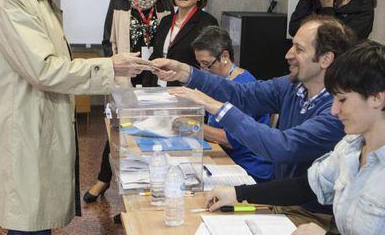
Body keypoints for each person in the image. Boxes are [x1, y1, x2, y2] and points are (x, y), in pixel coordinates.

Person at [0, 0, 153, 234]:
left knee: (35, 219)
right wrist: (110, 66)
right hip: (23, 137)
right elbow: (46, 70)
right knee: (27, 223)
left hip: (34, 129)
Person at [153, 15, 356, 231]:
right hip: (282, 202)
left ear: (325, 59)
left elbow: (282, 147)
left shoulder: (337, 113)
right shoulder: (293, 86)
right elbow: (243, 94)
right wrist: (187, 73)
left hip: (313, 216)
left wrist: (216, 107)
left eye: (299, 49)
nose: (288, 54)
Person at [205, 40, 385, 235]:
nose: (334, 110)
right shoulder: (350, 147)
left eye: (342, 99)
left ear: (376, 98)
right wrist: (238, 193)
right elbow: (306, 185)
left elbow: (283, 147)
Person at [83, 0, 173, 204]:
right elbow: (107, 40)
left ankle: (143, 187)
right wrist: (118, 68)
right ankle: (103, 179)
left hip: (154, 78)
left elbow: (168, 40)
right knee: (119, 131)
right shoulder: (118, 2)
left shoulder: (165, 4)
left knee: (152, 133)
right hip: (125, 77)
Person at [191, 26, 274, 182]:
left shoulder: (243, 86)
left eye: (206, 64)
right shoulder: (220, 82)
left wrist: (192, 127)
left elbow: (231, 140)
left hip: (249, 167)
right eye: (199, 65)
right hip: (227, 157)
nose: (203, 71)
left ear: (224, 56)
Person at [148, 0, 218, 87]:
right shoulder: (166, 20)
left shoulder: (207, 23)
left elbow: (209, 64)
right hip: (158, 87)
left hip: (186, 90)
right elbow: (156, 54)